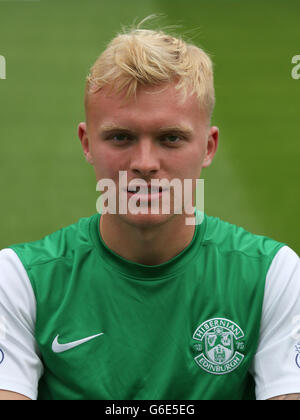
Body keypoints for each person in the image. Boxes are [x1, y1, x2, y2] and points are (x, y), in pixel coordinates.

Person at [0, 20, 300, 401]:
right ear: (87, 142)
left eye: (170, 138)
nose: (144, 162)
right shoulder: (19, 281)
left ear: (208, 147)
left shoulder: (273, 275)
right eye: (120, 137)